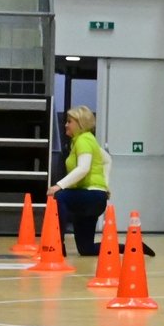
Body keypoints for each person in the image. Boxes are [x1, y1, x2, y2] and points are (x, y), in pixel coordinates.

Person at [47, 106, 110, 257]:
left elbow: (83, 168)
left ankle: (57, 246)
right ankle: (129, 248)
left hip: (91, 196)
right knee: (86, 249)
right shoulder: (87, 140)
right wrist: (105, 185)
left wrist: (59, 185)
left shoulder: (83, 140)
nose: (66, 125)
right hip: (93, 198)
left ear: (80, 123)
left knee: (59, 197)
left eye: (69, 122)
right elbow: (108, 160)